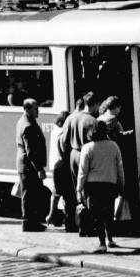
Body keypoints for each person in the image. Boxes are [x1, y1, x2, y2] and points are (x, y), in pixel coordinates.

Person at [76, 120, 126, 254]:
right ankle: (110, 239)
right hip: (110, 183)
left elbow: (83, 171)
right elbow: (120, 168)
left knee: (97, 215)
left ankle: (102, 243)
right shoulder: (114, 146)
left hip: (93, 185)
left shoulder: (88, 148)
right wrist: (121, 185)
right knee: (109, 213)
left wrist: (79, 188)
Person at [15, 98, 48, 232]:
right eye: (35, 109)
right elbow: (31, 152)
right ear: (27, 109)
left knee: (30, 194)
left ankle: (32, 222)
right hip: (29, 165)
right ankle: (28, 223)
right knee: (29, 195)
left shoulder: (23, 121)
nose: (38, 111)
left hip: (26, 164)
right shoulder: (27, 125)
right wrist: (39, 169)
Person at [62, 92, 100, 189]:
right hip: (86, 156)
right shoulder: (93, 121)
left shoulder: (70, 118)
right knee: (87, 187)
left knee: (77, 187)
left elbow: (64, 140)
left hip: (73, 155)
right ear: (95, 104)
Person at [45, 110, 76, 230]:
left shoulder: (55, 130)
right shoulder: (63, 133)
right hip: (62, 165)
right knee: (68, 195)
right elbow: (64, 150)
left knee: (56, 192)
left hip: (55, 165)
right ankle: (69, 221)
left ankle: (51, 215)